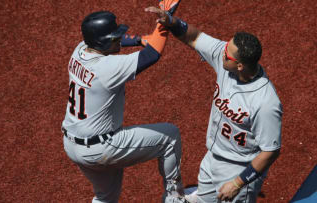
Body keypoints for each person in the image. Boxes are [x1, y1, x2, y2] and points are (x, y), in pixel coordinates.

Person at [146, 6, 283, 203]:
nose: (222, 51)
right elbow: (195, 37)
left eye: (227, 53)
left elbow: (271, 151)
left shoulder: (265, 102)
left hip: (238, 168)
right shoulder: (226, 57)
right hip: (212, 158)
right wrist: (172, 21)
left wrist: (237, 183)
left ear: (240, 65)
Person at [61, 1, 189, 203]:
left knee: (106, 197)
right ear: (103, 43)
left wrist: (139, 39)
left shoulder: (79, 51)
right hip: (101, 148)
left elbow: (120, 42)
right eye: (115, 37)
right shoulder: (107, 68)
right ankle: (174, 198)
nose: (119, 38)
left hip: (72, 145)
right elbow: (152, 54)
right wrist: (164, 20)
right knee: (169, 136)